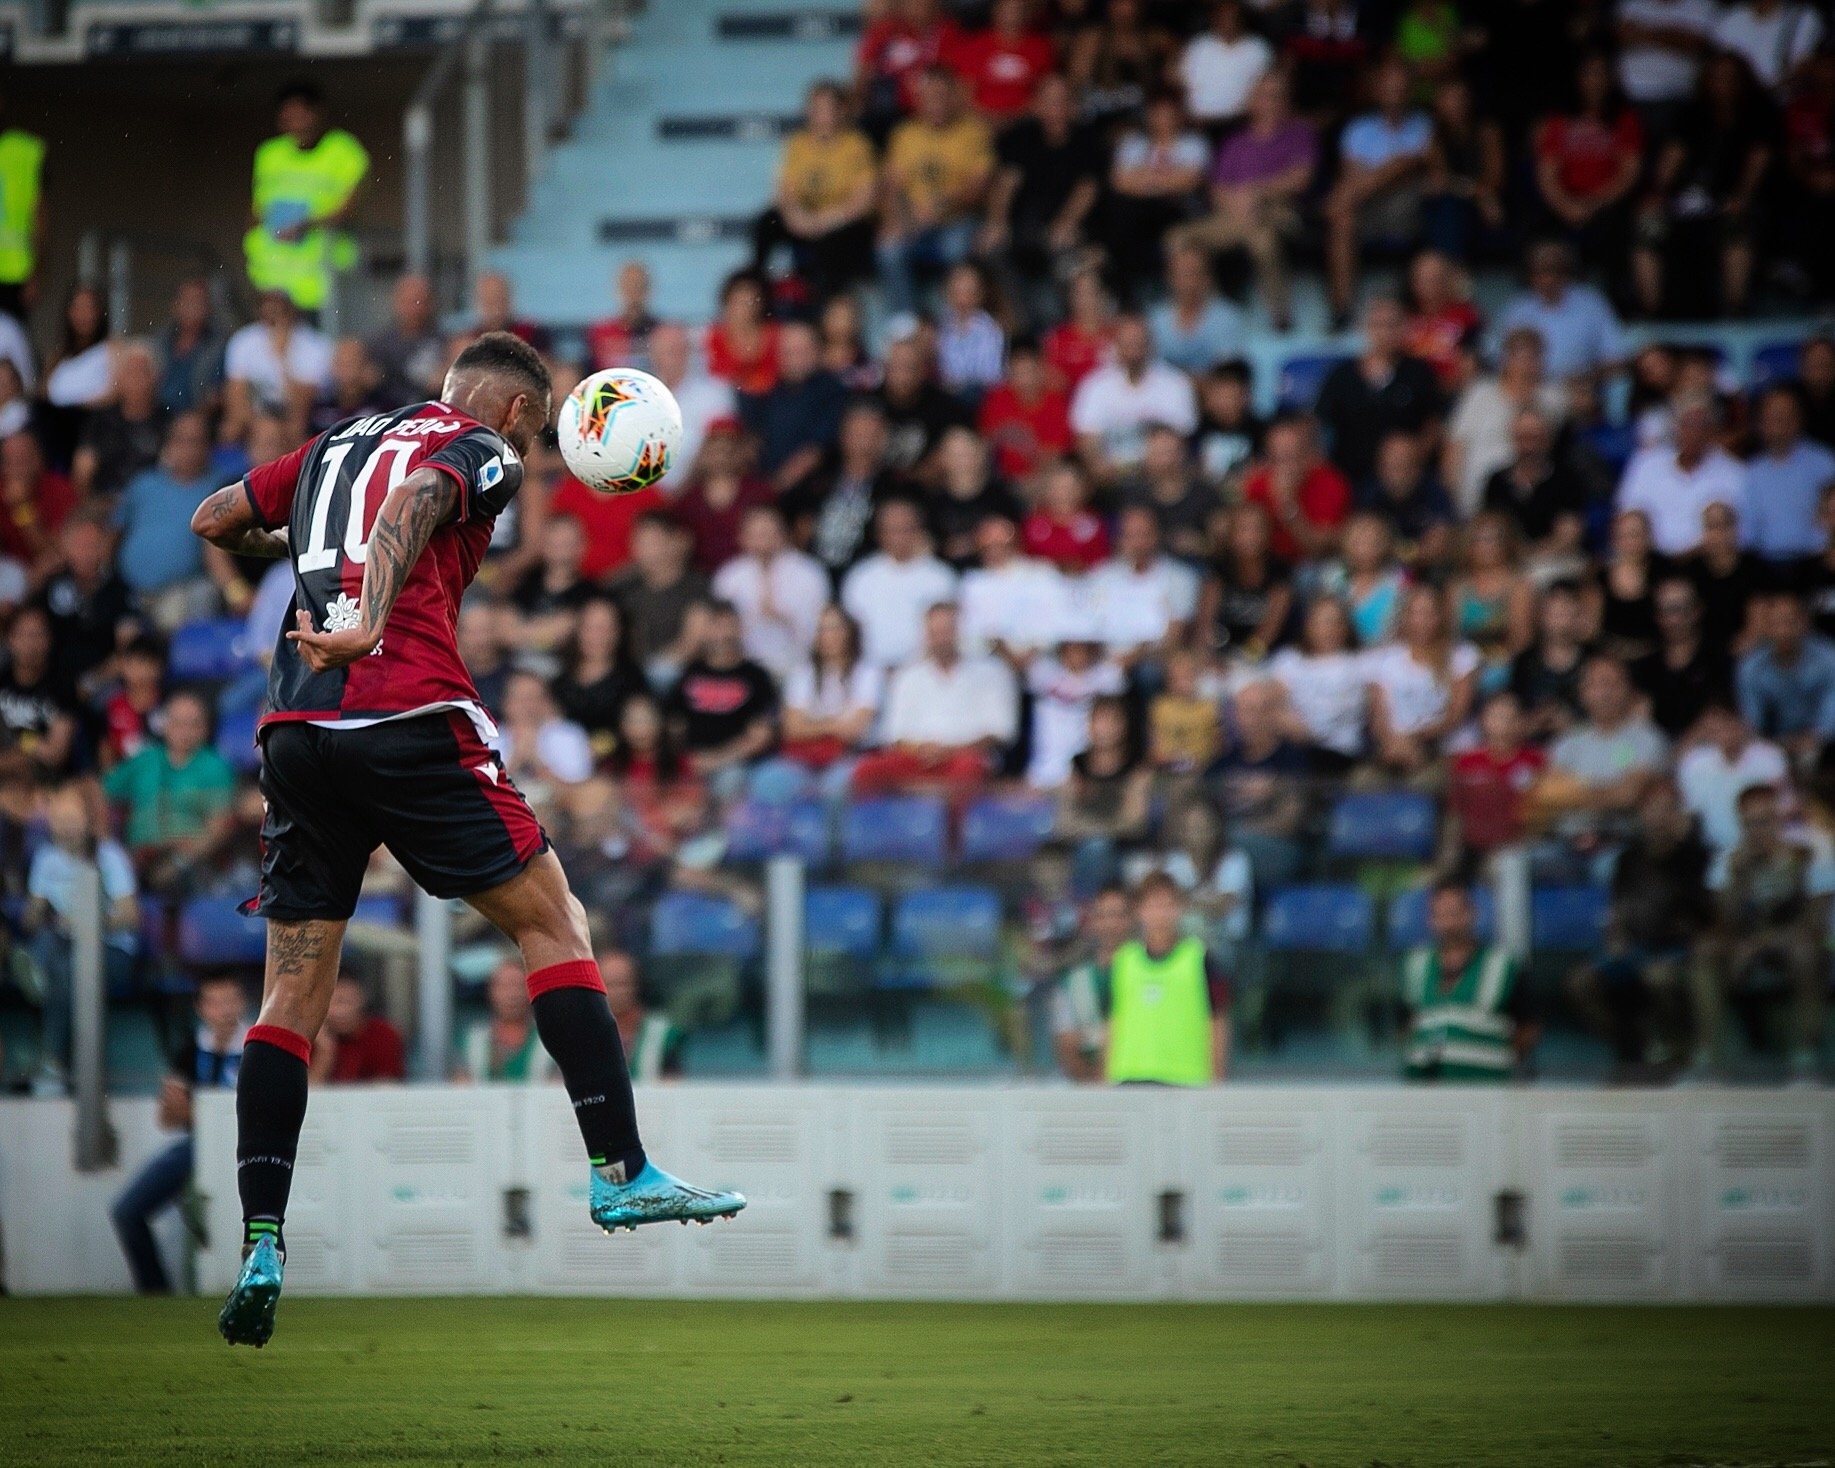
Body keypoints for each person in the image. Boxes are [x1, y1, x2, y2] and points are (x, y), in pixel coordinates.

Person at [189, 331, 743, 1347]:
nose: (522, 463)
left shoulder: (332, 445)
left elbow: (216, 517)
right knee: (554, 919)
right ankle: (619, 1169)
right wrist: (366, 610)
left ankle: (261, 1235)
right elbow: (419, 504)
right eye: (530, 443)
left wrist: (321, 559)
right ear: (522, 416)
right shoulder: (481, 444)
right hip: (402, 711)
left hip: (296, 731)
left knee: (289, 994)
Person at [111, 975, 247, 1294]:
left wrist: (196, 1110)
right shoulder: (189, 1050)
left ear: (243, 1004)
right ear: (202, 1009)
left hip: (243, 1148)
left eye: (231, 1001)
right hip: (198, 1148)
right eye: (216, 1003)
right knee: (127, 1212)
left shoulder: (257, 1047)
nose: (225, 1010)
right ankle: (156, 1292)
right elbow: (168, 1117)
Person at [1567, 778, 1710, 1077]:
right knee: (1580, 982)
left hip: (1676, 949)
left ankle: (1676, 1048)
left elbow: (1705, 916)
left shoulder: (1694, 857)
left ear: (1677, 815)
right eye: (1651, 809)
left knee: (1658, 977)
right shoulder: (1628, 858)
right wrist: (1616, 938)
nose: (1658, 817)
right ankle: (1632, 1048)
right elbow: (1618, 908)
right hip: (1633, 948)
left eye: (1666, 810)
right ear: (1641, 814)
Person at [1696, 782, 1830, 1082]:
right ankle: (1708, 1057)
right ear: (1741, 824)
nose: (1759, 830)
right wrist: (1738, 877)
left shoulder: (1809, 855)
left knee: (1806, 950)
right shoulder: (1728, 861)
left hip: (1792, 942)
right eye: (1750, 823)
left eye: (1765, 821)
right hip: (1742, 944)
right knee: (1704, 950)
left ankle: (1805, 1058)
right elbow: (1721, 924)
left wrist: (1761, 941)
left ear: (1779, 818)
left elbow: (1816, 922)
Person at [1169, 71, 1316, 334]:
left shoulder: (1298, 133)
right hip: (1234, 214)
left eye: (1276, 96)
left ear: (1285, 101)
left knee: (1263, 242)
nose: (1269, 102)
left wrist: (1256, 193)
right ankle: (1207, 312)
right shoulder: (1235, 142)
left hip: (1279, 212)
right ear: (1251, 101)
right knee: (1178, 238)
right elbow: (1216, 189)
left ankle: (1280, 318)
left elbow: (1300, 179)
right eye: (1263, 96)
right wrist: (1238, 202)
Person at [23, 782, 140, 1094]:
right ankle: (35, 971)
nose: (65, 825)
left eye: (71, 817)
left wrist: (89, 924)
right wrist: (35, 913)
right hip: (64, 944)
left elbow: (131, 915)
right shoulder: (45, 858)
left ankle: (53, 1063)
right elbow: (33, 917)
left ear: (88, 820)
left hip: (111, 949)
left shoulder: (109, 856)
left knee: (72, 967)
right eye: (58, 818)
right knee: (51, 947)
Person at [851, 600, 1018, 798]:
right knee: (866, 771)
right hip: (917, 758)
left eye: (946, 631)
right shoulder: (907, 676)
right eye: (935, 632)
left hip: (965, 757)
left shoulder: (992, 672)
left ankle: (954, 829)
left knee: (967, 771)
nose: (941, 638)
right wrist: (923, 750)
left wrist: (948, 751)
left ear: (959, 631)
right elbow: (895, 735)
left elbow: (1000, 732)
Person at [1321, 57, 1433, 328]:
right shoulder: (1358, 128)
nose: (1395, 94)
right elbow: (1351, 174)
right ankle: (1342, 309)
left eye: (1400, 88)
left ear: (1409, 91)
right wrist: (1391, 171)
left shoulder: (1423, 124)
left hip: (1406, 207)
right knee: (1342, 221)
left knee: (1398, 168)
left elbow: (1419, 169)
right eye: (1389, 88)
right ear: (1378, 91)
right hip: (1366, 207)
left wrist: (1387, 173)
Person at [243, 80, 369, 315]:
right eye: (288, 118)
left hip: (323, 283)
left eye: (301, 116)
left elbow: (349, 207)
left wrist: (305, 224)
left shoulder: (343, 150)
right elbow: (258, 210)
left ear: (317, 113)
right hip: (273, 282)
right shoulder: (269, 153)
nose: (295, 125)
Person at [877, 66, 995, 315]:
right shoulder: (905, 135)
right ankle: (906, 324)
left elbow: (978, 190)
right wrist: (898, 221)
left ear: (953, 96)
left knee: (955, 249)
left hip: (959, 219)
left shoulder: (973, 132)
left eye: (942, 96)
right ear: (919, 100)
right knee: (889, 250)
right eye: (929, 97)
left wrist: (940, 207)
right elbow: (892, 187)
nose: (936, 103)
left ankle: (951, 322)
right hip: (915, 221)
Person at [1102, 872, 1230, 1086]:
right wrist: (1106, 1078)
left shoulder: (1200, 959)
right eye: (1153, 905)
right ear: (1139, 911)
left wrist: (1217, 1078)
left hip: (1187, 1080)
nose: (1161, 914)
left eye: (1168, 905)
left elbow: (1217, 1022)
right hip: (1129, 1079)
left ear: (1180, 910)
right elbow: (1111, 1023)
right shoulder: (1123, 961)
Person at [1399, 881, 1534, 1083]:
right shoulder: (1415, 964)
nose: (1448, 924)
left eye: (1454, 914)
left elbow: (1529, 1026)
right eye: (1440, 915)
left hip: (1488, 1088)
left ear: (1472, 914)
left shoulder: (1503, 965)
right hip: (1425, 1088)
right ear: (1430, 920)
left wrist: (1490, 1056)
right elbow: (1407, 1023)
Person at [1315, 296, 1444, 487]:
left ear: (1404, 327)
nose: (1385, 332)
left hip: (1406, 479)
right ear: (1365, 327)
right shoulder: (1342, 375)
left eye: (1392, 324)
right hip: (1350, 477)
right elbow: (1319, 424)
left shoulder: (1419, 372)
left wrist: (1409, 461)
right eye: (1378, 325)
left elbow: (1433, 425)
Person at [1365, 583, 1481, 781]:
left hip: (1443, 749)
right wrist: (1393, 743)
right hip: (1396, 750)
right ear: (1404, 616)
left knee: (1424, 782)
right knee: (1365, 782)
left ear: (1441, 616)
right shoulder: (1383, 658)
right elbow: (1378, 715)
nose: (1421, 620)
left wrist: (1416, 739)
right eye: (1415, 613)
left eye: (1429, 613)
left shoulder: (1462, 656)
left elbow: (1456, 713)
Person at [665, 599, 780, 798]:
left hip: (735, 766)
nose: (723, 634)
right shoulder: (690, 673)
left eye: (729, 626)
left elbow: (761, 737)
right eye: (716, 626)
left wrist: (715, 760)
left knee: (730, 780)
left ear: (740, 629)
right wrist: (685, 759)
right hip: (691, 763)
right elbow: (672, 724)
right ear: (706, 631)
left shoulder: (757, 676)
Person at [1070, 312, 1198, 488]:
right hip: (1110, 480)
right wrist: (1101, 467)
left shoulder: (1175, 384)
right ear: (1115, 346)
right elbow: (1087, 439)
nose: (1133, 351)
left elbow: (1181, 439)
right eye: (1127, 344)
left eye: (1138, 343)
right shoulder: (1094, 386)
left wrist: (1150, 467)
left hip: (1160, 480)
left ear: (1150, 345)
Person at [1616, 393, 1746, 559]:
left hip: (1706, 564)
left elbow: (1739, 534)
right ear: (1675, 427)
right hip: (1650, 564)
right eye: (1687, 424)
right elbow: (1625, 519)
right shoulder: (1645, 465)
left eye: (1700, 425)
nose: (1693, 432)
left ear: (1712, 429)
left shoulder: (1734, 473)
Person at [710, 503, 829, 682]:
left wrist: (784, 619)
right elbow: (718, 629)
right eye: (755, 534)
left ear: (784, 534)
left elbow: (823, 630)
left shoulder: (810, 573)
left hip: (798, 667)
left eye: (768, 533)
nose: (762, 541)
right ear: (742, 537)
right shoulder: (729, 575)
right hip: (743, 669)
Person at [841, 497, 959, 670]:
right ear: (879, 534)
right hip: (871, 673)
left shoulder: (941, 577)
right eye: (892, 530)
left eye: (905, 529)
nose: (898, 537)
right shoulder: (861, 577)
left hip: (926, 673)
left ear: (919, 530)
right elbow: (850, 633)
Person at [1494, 240, 1627, 383]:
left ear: (1566, 271)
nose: (1548, 278)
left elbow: (1617, 359)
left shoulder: (1592, 304)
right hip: (1530, 390)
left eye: (1554, 269)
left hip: (1580, 390)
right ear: (1531, 275)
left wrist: (1587, 379)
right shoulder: (1518, 309)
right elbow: (1499, 360)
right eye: (1541, 271)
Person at [1678, 701, 1791, 858]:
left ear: (1741, 723)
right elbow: (1690, 813)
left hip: (1770, 846)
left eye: (1728, 724)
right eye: (1715, 729)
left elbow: (1786, 804)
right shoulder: (1694, 764)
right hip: (1717, 851)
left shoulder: (1769, 757)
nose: (1725, 734)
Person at [1744, 385, 1835, 570]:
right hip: (1763, 565)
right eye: (1772, 417)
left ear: (1798, 420)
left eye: (1785, 416)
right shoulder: (1752, 471)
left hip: (1815, 563)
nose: (1778, 423)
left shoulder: (1824, 463)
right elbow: (1747, 531)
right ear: (1761, 423)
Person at [1737, 591, 1835, 762]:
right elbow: (1752, 722)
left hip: (1824, 742)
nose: (1784, 630)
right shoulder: (1750, 668)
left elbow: (1830, 714)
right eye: (1776, 623)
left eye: (1791, 622)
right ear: (1766, 627)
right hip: (1774, 744)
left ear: (1805, 622)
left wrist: (1815, 739)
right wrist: (1775, 746)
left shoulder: (1829, 658)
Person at [1632, 575, 1733, 738]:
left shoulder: (1719, 660)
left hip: (1705, 751)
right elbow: (1638, 717)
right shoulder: (1646, 666)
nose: (1671, 619)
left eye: (1678, 609)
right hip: (1655, 749)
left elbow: (1719, 714)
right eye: (1663, 611)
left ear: (1697, 610)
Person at [1241, 414, 1352, 562]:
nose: (1284, 467)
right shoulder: (1257, 483)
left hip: (1314, 564)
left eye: (1290, 457)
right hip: (1269, 564)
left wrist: (1289, 505)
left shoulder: (1331, 483)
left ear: (1308, 455)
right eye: (1276, 458)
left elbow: (1319, 549)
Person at [1052, 883, 1133, 1082]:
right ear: (1092, 922)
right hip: (1087, 1089)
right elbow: (1067, 1044)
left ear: (1131, 920)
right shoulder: (1072, 982)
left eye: (1117, 915)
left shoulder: (1152, 975)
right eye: (1102, 916)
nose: (1110, 924)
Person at [1177, 0, 1273, 135]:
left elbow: (1267, 89)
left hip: (1242, 124)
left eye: (1232, 16)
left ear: (1242, 18)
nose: (1227, 21)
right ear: (1214, 18)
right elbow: (1181, 83)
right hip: (1199, 124)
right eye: (1222, 16)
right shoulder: (1198, 46)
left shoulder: (1257, 49)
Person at [601, 946, 683, 1082]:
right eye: (609, 984)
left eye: (623, 984)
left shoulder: (663, 1034)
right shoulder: (577, 1034)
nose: (616, 992)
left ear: (637, 985)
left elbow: (675, 1085)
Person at [367, 274, 445, 408]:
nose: (414, 309)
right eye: (408, 302)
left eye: (420, 301)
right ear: (396, 302)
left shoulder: (445, 342)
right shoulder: (378, 345)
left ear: (431, 303)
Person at [311, 975, 406, 1084]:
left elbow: (389, 1088)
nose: (342, 1011)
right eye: (333, 1003)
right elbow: (306, 1094)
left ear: (362, 1000)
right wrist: (324, 1051)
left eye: (347, 1002)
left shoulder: (383, 1035)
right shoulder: (310, 1038)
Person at [584, 260, 661, 374]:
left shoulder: (663, 333)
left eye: (639, 285)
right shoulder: (600, 332)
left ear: (648, 289)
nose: (634, 292)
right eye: (629, 285)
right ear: (619, 288)